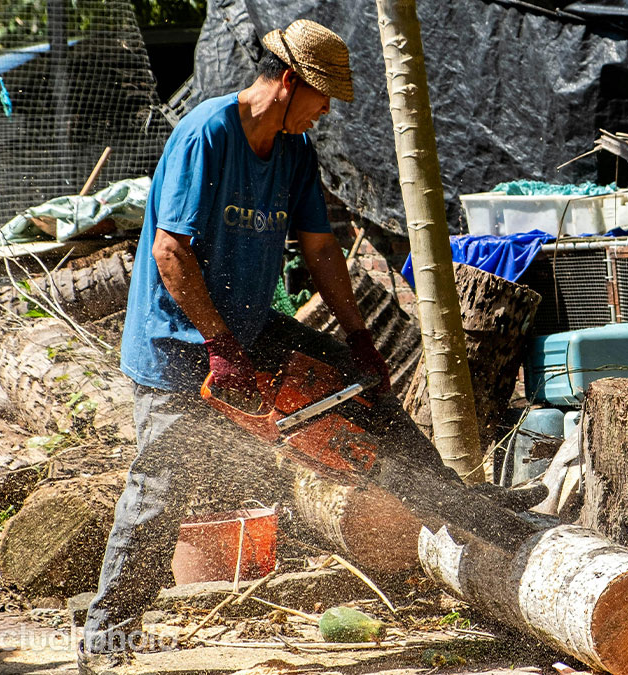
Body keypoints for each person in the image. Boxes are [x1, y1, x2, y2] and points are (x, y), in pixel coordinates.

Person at [77, 18, 446, 672]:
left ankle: (449, 500)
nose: (327, 110)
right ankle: (105, 640)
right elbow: (170, 250)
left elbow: (322, 247)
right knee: (162, 489)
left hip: (245, 330)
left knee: (357, 388)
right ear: (288, 82)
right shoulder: (206, 136)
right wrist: (217, 345)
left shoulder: (296, 151)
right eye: (322, 96)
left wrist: (360, 338)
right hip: (176, 345)